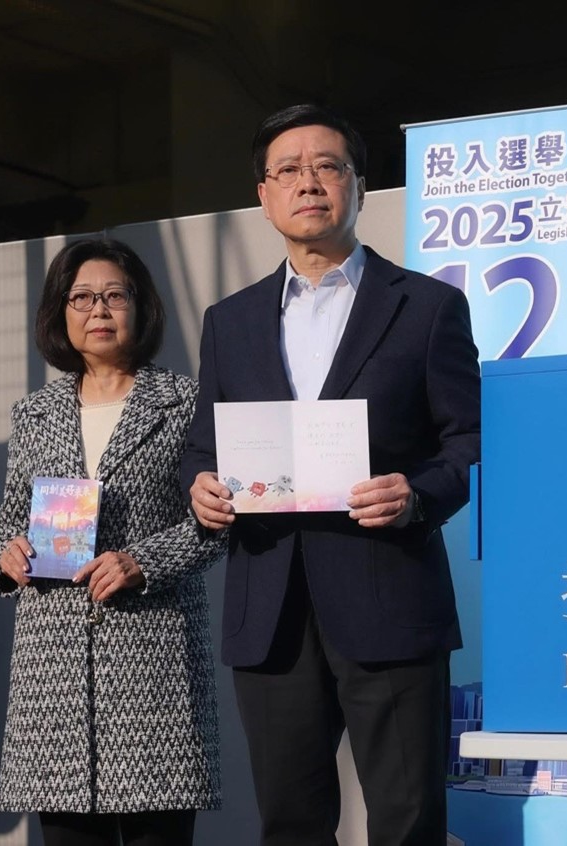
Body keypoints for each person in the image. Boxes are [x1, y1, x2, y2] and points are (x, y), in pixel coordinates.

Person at [180, 104, 481, 845]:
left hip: (389, 593)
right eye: (288, 169)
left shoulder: (427, 307)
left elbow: (468, 441)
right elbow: (200, 445)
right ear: (263, 195)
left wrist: (416, 495)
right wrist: (202, 488)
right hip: (269, 605)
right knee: (289, 822)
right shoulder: (231, 319)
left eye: (327, 166)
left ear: (358, 185)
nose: (307, 182)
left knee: (408, 818)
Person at [0, 238, 226, 846]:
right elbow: (11, 514)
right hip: (52, 663)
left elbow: (220, 522)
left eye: (114, 296)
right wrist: (8, 549)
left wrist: (142, 560)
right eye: (82, 297)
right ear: (59, 313)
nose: (99, 310)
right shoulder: (33, 413)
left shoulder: (185, 403)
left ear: (141, 308)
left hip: (153, 657)